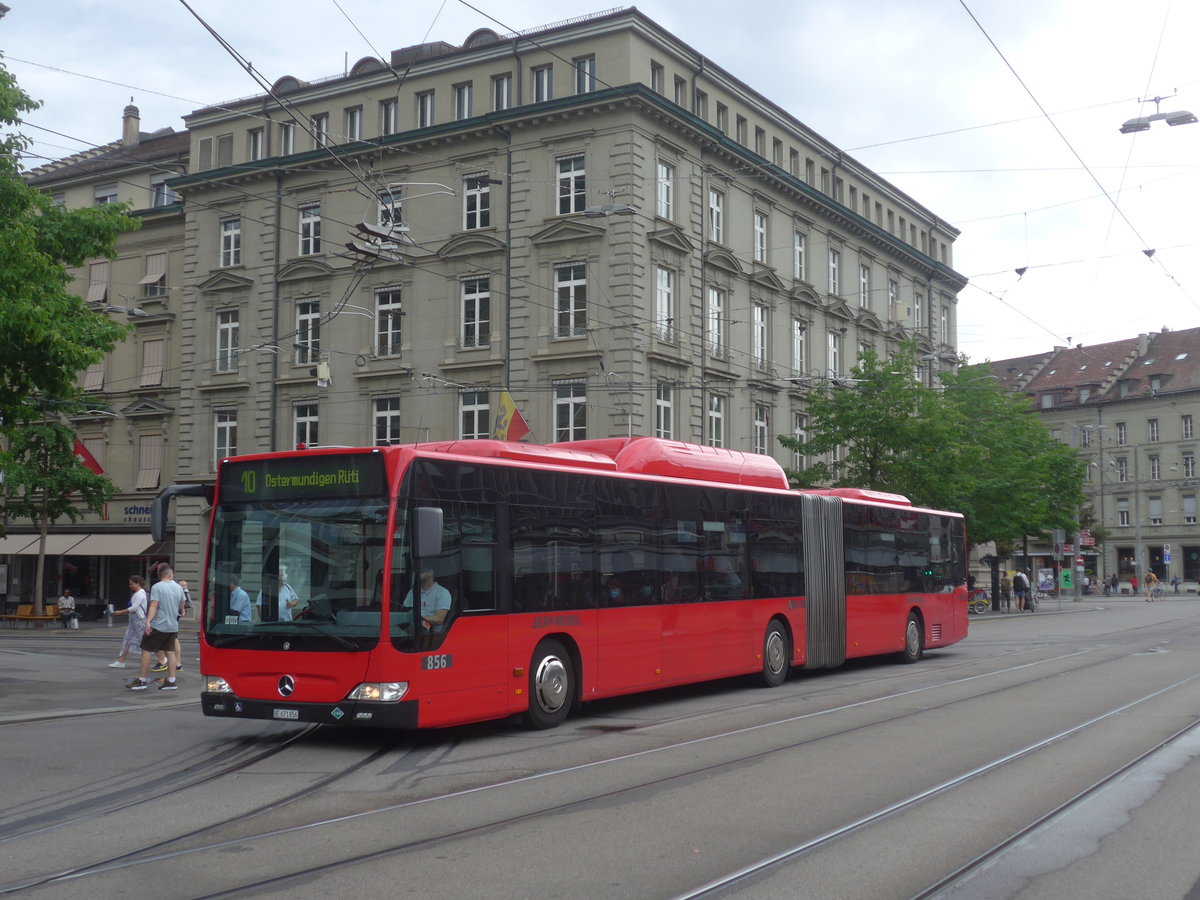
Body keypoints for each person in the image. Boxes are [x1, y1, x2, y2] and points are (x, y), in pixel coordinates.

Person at [126, 562, 183, 692]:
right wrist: (180, 611)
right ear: (170, 575)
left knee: (146, 650)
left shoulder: (157, 587)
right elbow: (181, 606)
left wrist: (148, 621)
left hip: (159, 625)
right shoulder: (178, 587)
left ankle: (141, 680)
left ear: (160, 575)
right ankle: (171, 681)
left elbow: (153, 605)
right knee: (170, 652)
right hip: (173, 626)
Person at [109, 576, 147, 668]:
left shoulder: (140, 594)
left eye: (131, 584)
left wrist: (120, 612)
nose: (130, 586)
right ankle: (121, 661)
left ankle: (162, 659)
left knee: (146, 641)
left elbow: (134, 608)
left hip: (139, 620)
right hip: (135, 620)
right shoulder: (139, 593)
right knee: (128, 639)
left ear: (138, 583)